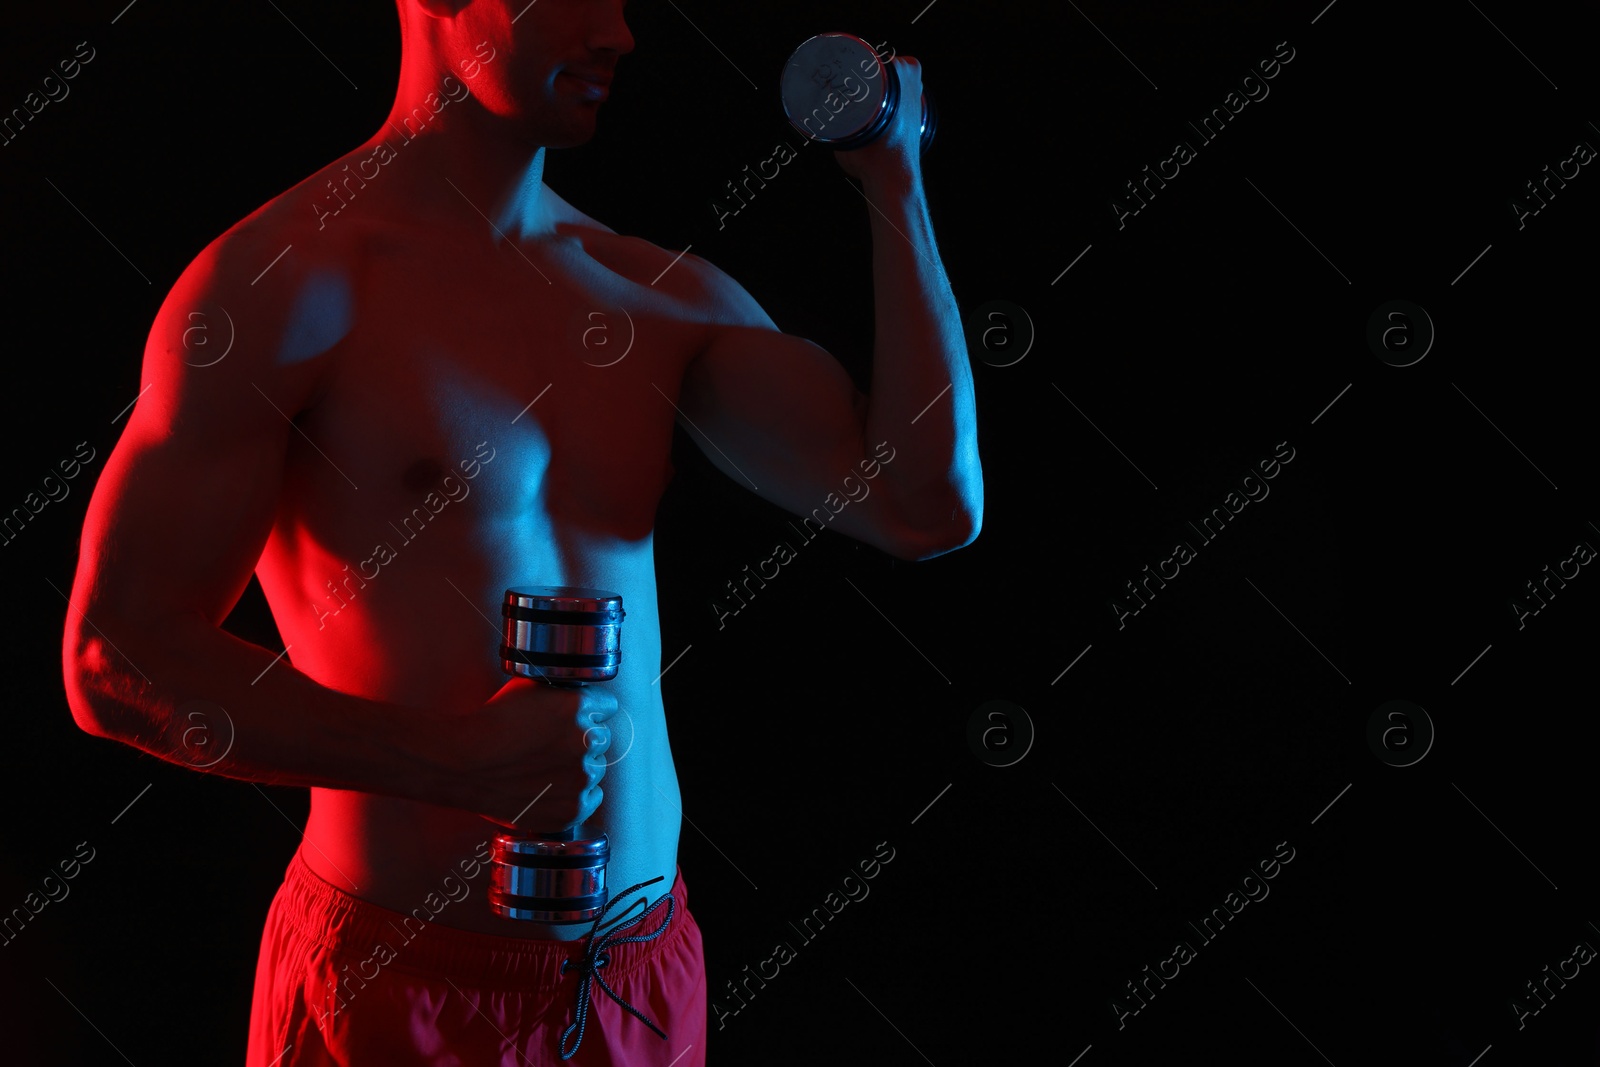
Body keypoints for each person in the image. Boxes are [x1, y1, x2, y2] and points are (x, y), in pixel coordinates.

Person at [59, 0, 982, 1062]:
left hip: (637, 982)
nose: (618, 35)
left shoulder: (648, 292)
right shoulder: (286, 286)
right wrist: (451, 763)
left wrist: (893, 179)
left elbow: (924, 506)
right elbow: (115, 656)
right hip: (398, 989)